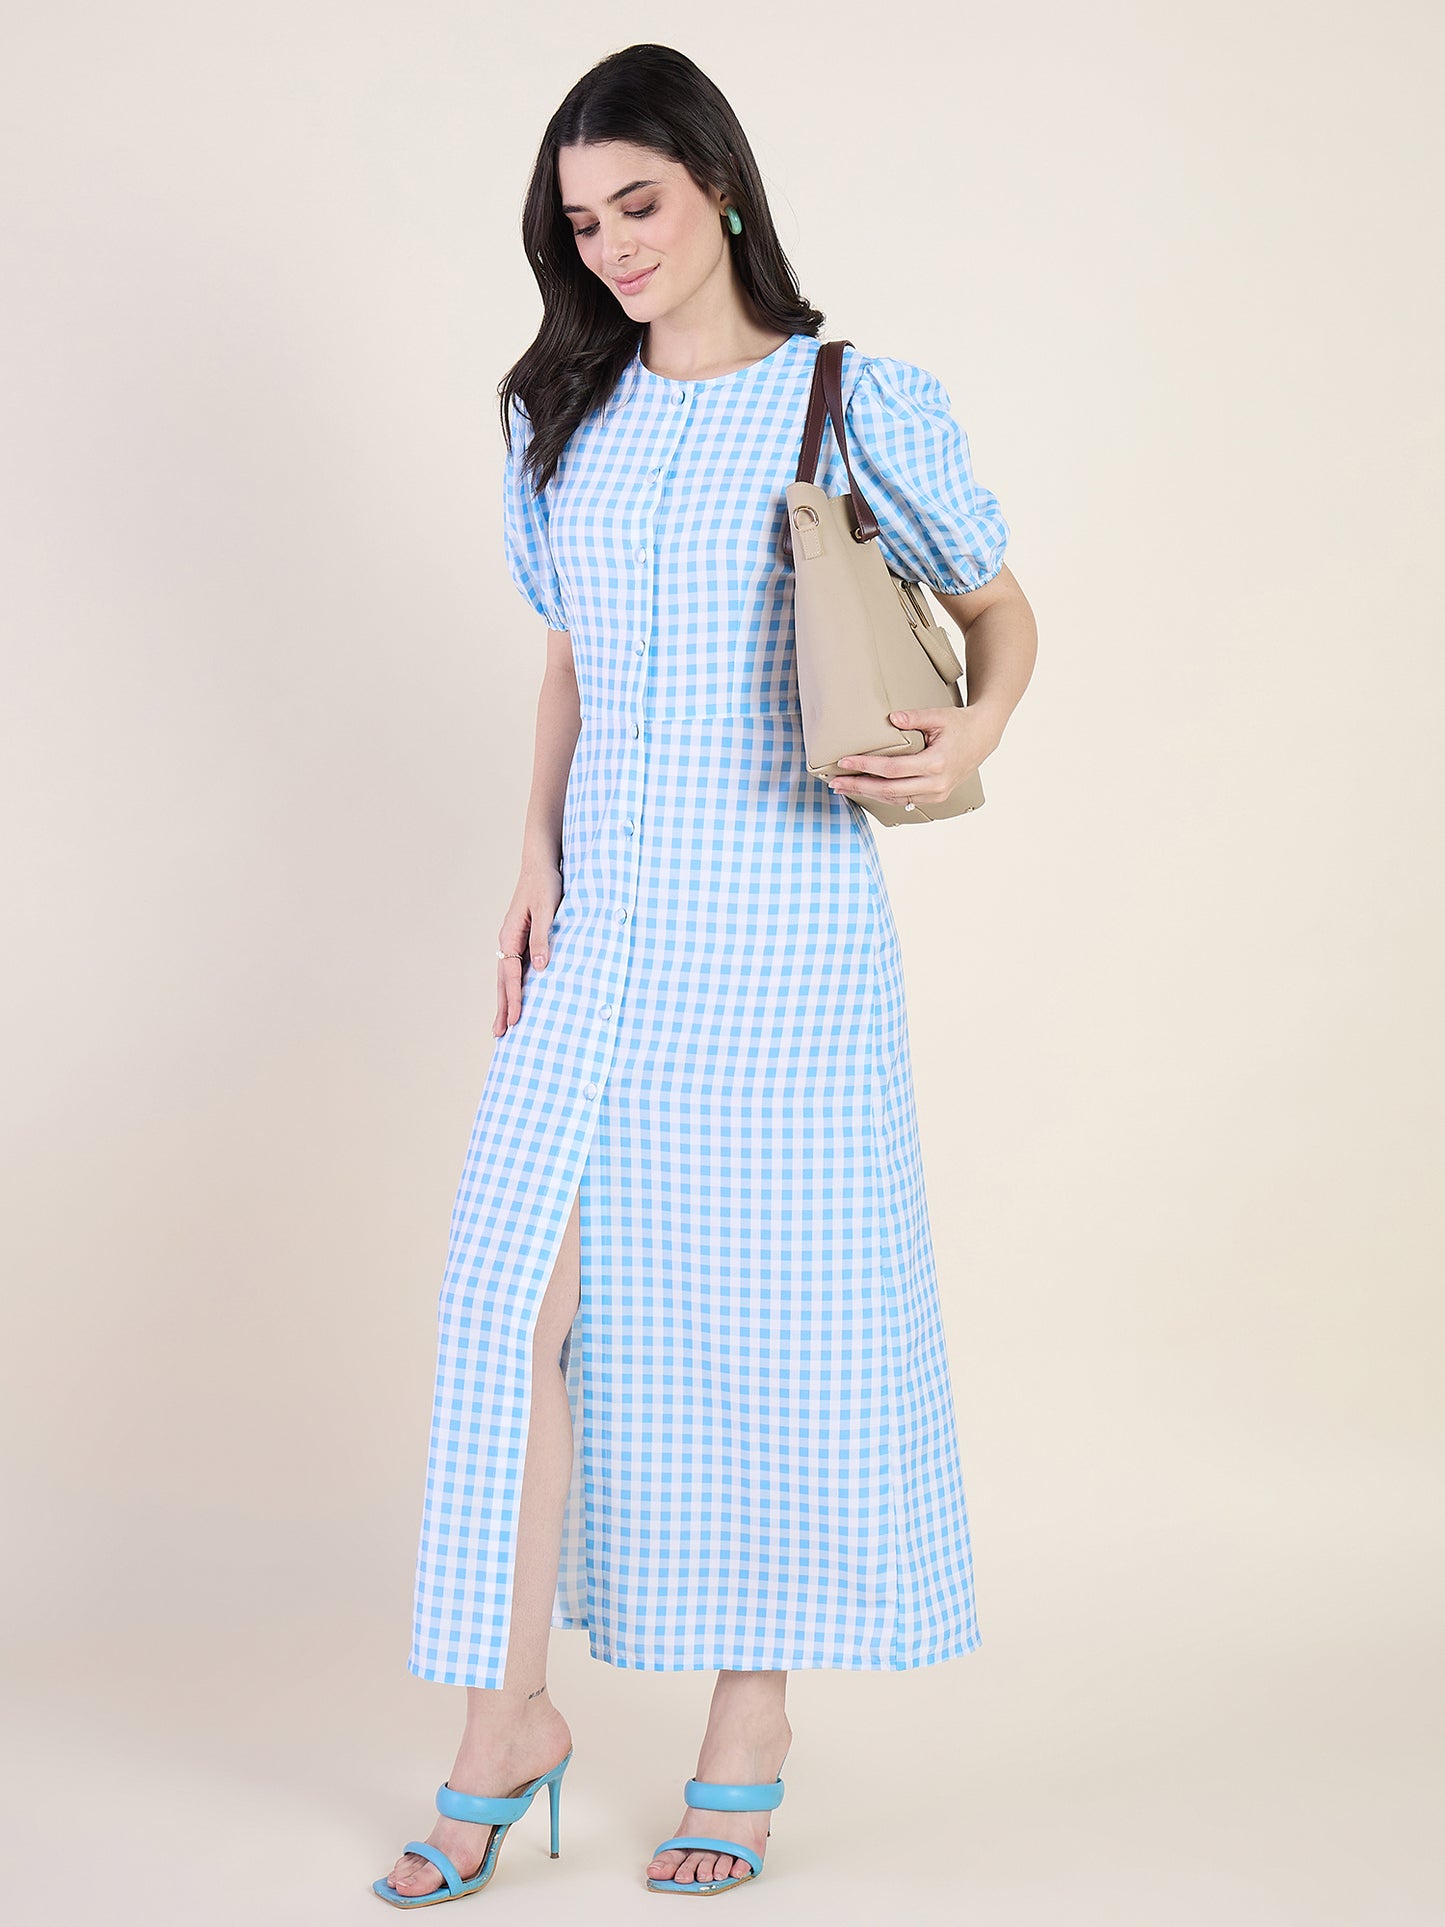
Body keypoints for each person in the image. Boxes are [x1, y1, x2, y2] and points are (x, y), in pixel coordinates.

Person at [376, 40, 1037, 1908]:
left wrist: (973, 731)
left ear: (720, 188)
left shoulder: (851, 397)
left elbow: (995, 610)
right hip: (606, 924)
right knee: (507, 1307)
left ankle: (747, 1728)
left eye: (639, 204)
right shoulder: (560, 416)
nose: (611, 247)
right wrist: (530, 859)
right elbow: (570, 660)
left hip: (785, 927)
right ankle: (507, 1724)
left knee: (765, 1322)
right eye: (582, 222)